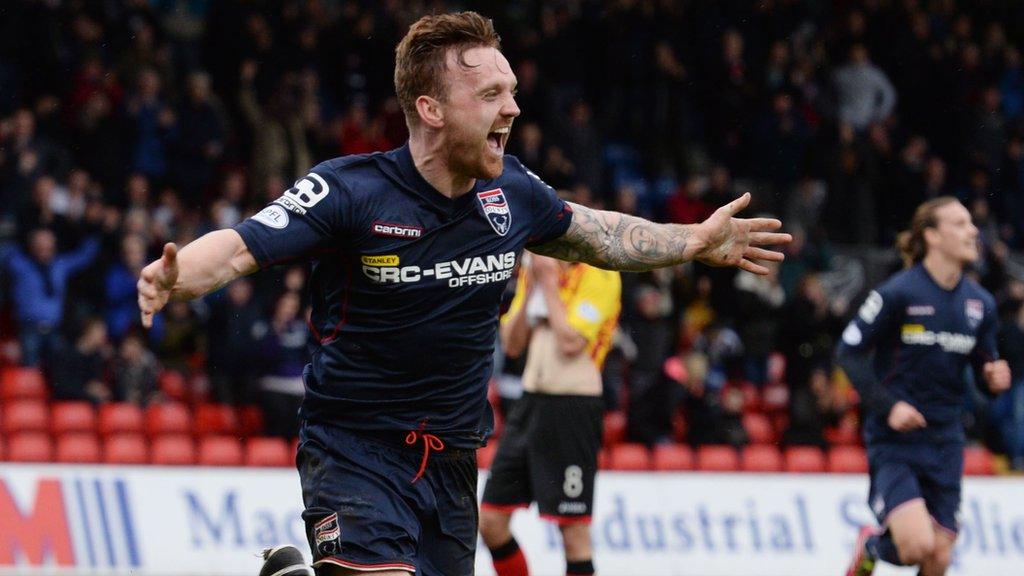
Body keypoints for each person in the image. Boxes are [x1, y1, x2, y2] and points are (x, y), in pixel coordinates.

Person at [137, 12, 790, 576]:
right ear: (432, 109)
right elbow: (242, 246)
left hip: (452, 463)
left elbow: (604, 236)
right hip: (354, 448)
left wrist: (695, 240)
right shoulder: (350, 191)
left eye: (511, 91)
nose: (512, 108)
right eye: (491, 94)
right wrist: (176, 276)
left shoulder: (514, 195)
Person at [839, 197, 1010, 576]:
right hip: (896, 441)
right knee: (917, 545)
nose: (973, 231)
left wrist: (995, 379)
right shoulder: (897, 293)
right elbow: (848, 352)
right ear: (931, 236)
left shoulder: (980, 304)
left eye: (971, 223)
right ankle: (871, 545)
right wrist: (889, 406)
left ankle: (877, 545)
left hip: (946, 441)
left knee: (939, 558)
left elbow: (986, 369)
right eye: (960, 223)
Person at [479, 253, 620, 576]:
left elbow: (571, 342)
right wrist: (531, 291)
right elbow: (512, 345)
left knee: (573, 531)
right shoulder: (538, 274)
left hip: (573, 406)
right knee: (491, 520)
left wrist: (549, 285)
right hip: (529, 404)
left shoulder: (601, 275)